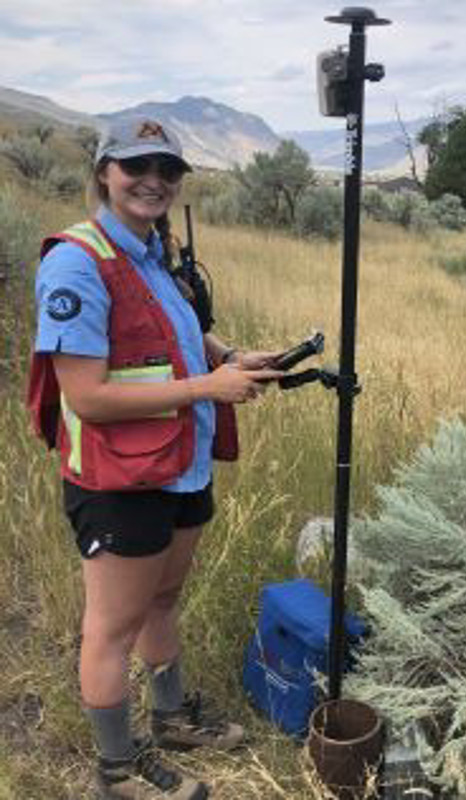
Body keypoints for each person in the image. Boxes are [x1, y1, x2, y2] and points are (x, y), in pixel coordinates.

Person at [27, 116, 284, 799]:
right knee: (112, 628)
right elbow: (86, 396)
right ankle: (117, 770)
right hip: (119, 478)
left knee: (163, 600)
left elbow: (176, 333)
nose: (154, 181)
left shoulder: (150, 250)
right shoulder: (78, 261)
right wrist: (211, 386)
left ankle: (170, 718)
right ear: (105, 172)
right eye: (137, 165)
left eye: (168, 170)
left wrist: (230, 357)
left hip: (179, 464)